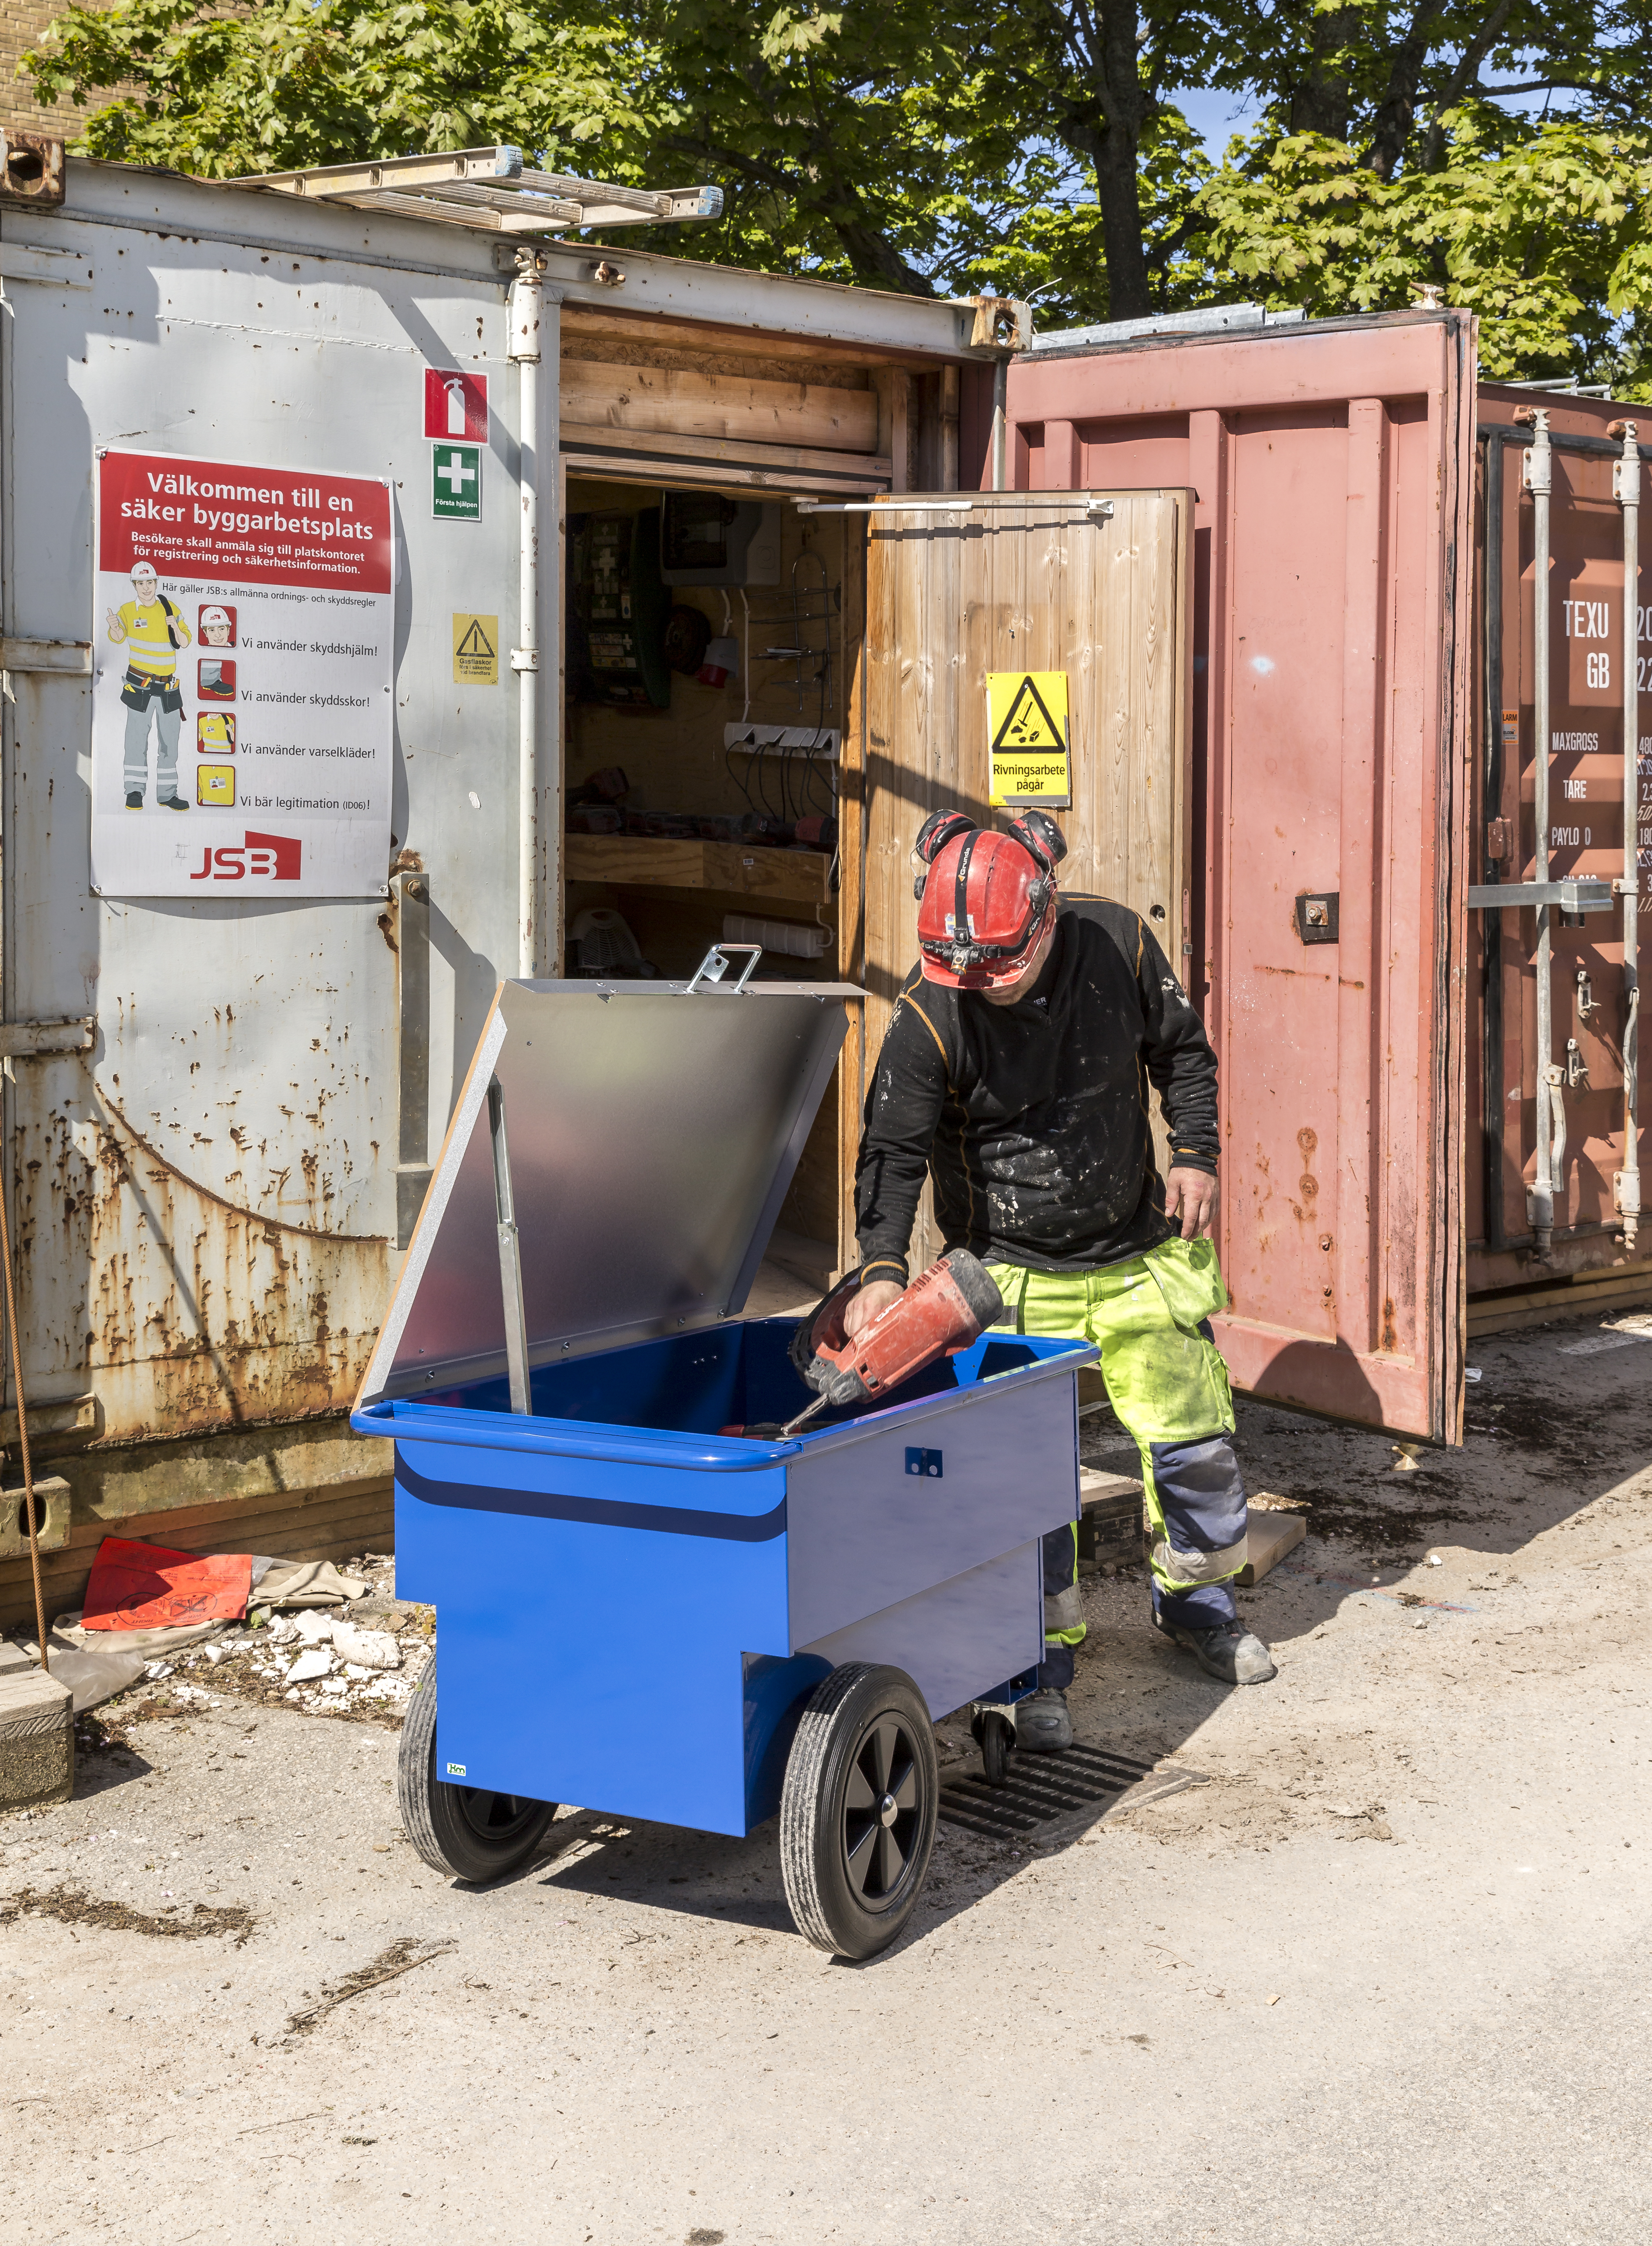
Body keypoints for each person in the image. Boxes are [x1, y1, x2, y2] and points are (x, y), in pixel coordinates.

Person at [847, 807, 1275, 1752]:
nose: (979, 983)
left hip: (1134, 1253)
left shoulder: (1117, 942)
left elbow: (1184, 1054)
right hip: (1006, 1273)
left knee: (1195, 1448)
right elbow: (891, 1155)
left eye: (999, 962)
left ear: (1043, 919)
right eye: (961, 967)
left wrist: (1195, 1153)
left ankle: (1198, 1607)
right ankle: (1031, 1663)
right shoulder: (929, 1012)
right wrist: (881, 1270)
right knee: (1019, 1486)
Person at [106, 561, 191, 810]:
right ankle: (134, 792)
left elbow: (184, 642)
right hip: (139, 687)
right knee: (135, 741)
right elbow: (119, 638)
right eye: (141, 583)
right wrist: (114, 627)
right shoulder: (127, 610)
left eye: (150, 582)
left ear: (156, 583)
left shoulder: (169, 608)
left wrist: (174, 625)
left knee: (169, 744)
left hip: (167, 689)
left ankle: (167, 795)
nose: (146, 588)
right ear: (134, 585)